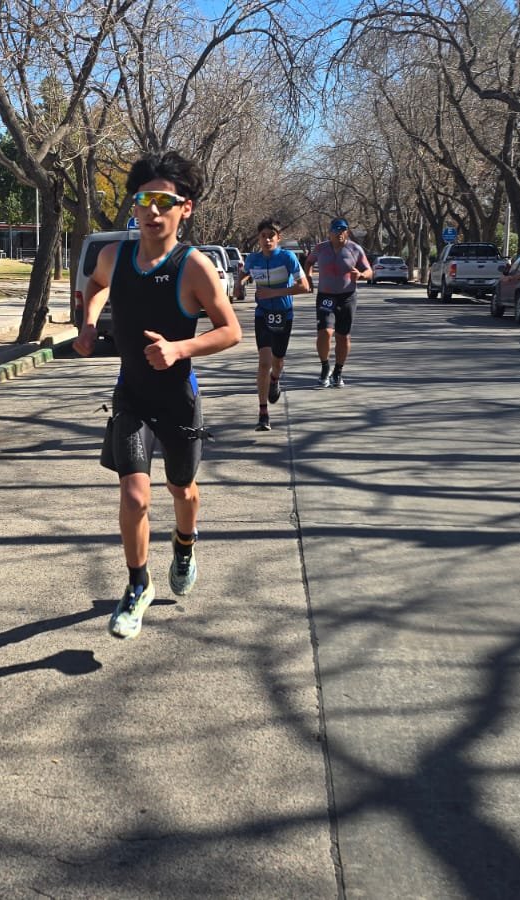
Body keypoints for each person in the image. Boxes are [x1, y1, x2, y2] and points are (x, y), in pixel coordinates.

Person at [72, 151, 243, 640]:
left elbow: (231, 330)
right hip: (131, 396)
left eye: (164, 202)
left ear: (185, 208)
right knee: (134, 495)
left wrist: (180, 348)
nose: (151, 211)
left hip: (177, 400)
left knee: (181, 489)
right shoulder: (114, 257)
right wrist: (88, 324)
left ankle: (184, 544)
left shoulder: (194, 267)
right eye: (143, 200)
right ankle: (137, 584)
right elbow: (96, 284)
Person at [236, 219, 310, 430]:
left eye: (271, 236)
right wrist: (239, 284)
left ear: (278, 238)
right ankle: (263, 414)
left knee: (277, 362)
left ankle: (275, 380)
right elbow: (245, 272)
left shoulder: (287, 258)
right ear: (258, 238)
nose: (267, 240)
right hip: (263, 314)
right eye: (263, 236)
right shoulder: (253, 259)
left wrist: (274, 293)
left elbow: (304, 287)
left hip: (284, 314)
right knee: (264, 362)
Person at [306, 218, 372, 387]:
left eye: (343, 230)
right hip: (326, 296)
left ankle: (338, 371)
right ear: (330, 232)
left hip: (347, 297)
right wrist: (308, 277)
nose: (339, 233)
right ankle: (325, 367)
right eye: (336, 230)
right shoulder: (320, 248)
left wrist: (361, 275)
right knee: (325, 332)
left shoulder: (355, 249)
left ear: (347, 232)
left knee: (343, 337)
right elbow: (309, 261)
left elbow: (369, 271)